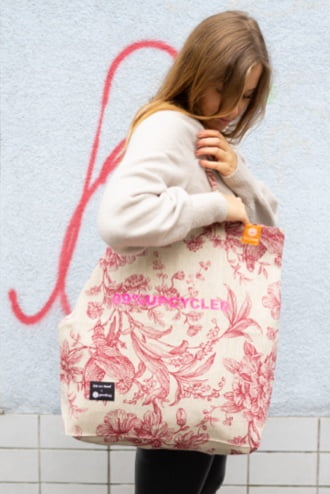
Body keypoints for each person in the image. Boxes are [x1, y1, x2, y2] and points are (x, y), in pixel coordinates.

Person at [97, 10, 278, 494]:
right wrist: (215, 203)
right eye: (224, 88)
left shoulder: (202, 134)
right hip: (175, 359)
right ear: (198, 70)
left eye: (245, 95)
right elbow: (118, 219)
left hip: (197, 359)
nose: (233, 106)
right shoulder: (170, 127)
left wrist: (236, 177)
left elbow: (259, 231)